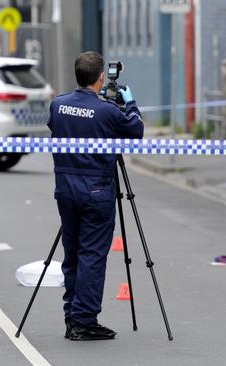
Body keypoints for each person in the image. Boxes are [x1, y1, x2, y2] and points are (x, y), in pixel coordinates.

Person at [47, 51, 143, 341]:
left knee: (72, 253)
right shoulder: (107, 111)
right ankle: (84, 320)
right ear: (102, 77)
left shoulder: (58, 104)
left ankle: (72, 315)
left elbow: (56, 127)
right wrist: (130, 103)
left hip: (65, 189)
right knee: (92, 255)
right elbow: (135, 129)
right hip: (96, 190)